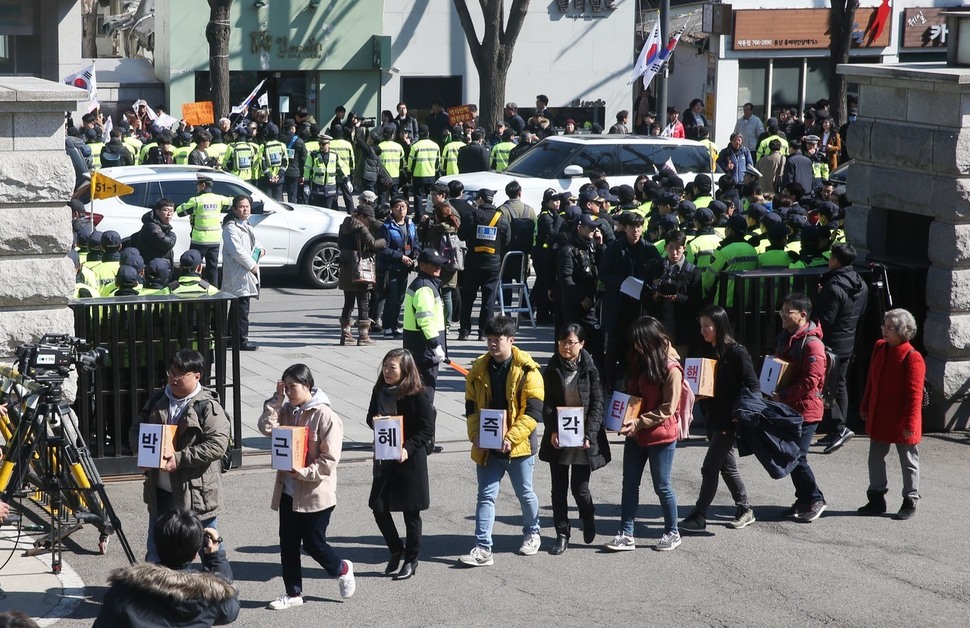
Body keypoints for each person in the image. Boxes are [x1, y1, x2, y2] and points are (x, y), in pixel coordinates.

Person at [257, 364, 356, 609]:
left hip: (315, 492)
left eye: (293, 387)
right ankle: (293, 593)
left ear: (308, 386)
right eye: (286, 386)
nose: (289, 392)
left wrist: (303, 472)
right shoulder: (287, 410)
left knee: (313, 543)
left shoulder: (325, 416)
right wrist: (276, 401)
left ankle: (341, 568)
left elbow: (329, 460)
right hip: (288, 490)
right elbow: (266, 428)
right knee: (288, 543)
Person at [129, 350, 231, 563]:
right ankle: (156, 590)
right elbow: (137, 430)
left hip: (196, 494)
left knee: (207, 546)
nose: (174, 378)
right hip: (161, 490)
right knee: (156, 547)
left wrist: (181, 458)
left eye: (181, 374)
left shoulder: (207, 405)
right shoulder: (158, 399)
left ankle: (218, 590)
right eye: (172, 372)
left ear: (197, 376)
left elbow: (217, 444)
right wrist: (142, 453)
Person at [458, 315, 544, 567]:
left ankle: (532, 531)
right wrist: (475, 435)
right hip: (488, 445)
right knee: (485, 496)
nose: (493, 344)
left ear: (511, 340)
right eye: (490, 339)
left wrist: (511, 438)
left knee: (524, 493)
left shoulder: (529, 370)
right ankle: (483, 548)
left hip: (519, 446)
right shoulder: (477, 370)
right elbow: (471, 408)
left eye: (498, 340)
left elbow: (533, 412)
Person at [680, 305, 759, 534]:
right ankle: (745, 509)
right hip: (712, 418)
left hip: (729, 420)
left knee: (709, 468)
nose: (704, 330)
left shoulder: (736, 352)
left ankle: (699, 515)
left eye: (708, 326)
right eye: (701, 326)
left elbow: (753, 386)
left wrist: (741, 414)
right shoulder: (706, 352)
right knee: (727, 467)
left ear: (720, 325)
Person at [605, 316, 682, 552]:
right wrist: (622, 417)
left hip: (661, 435)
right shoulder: (639, 359)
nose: (635, 346)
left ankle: (672, 531)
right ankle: (626, 533)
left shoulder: (671, 368)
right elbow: (633, 393)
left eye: (639, 342)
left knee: (662, 485)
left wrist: (638, 422)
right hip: (636, 434)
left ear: (651, 339)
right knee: (629, 483)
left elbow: (669, 407)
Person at [94, 508, 238, 627]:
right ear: (195, 554)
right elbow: (230, 610)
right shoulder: (208, 595)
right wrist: (215, 557)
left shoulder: (124, 591)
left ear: (156, 546)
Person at [539, 324, 610, 554]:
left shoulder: (591, 369)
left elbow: (598, 404)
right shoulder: (551, 368)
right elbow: (547, 403)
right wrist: (552, 430)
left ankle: (588, 517)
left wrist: (589, 434)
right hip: (560, 434)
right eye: (562, 342)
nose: (565, 347)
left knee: (580, 489)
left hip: (582, 437)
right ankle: (562, 533)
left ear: (581, 344)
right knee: (558, 489)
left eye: (570, 342)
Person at [366, 349, 436, 580]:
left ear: (405, 370)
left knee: (411, 514)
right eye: (385, 366)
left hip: (409, 461)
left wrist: (407, 447)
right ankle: (396, 549)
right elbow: (370, 418)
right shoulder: (380, 390)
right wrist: (381, 422)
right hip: (386, 457)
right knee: (378, 507)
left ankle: (411, 560)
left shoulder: (417, 394)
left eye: (392, 367)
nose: (387, 371)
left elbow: (427, 429)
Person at [858, 308, 925, 521]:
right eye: (884, 326)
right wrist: (865, 406)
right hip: (880, 415)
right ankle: (876, 498)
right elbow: (872, 381)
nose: (885, 331)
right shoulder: (880, 348)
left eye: (891, 328)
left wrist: (910, 423)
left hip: (902, 419)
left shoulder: (912, 357)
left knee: (908, 461)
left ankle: (910, 498)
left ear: (904, 331)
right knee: (875, 458)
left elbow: (914, 395)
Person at [772, 293, 828, 523]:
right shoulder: (786, 338)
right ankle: (804, 498)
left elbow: (810, 381)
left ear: (803, 315)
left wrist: (783, 395)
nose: (783, 315)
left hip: (806, 410)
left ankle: (816, 499)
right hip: (789, 408)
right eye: (782, 310)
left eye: (788, 311)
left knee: (797, 456)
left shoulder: (813, 344)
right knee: (789, 455)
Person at [816, 243, 869, 454]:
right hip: (849, 340)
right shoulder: (860, 284)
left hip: (832, 343)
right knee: (838, 384)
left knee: (833, 386)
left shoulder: (833, 287)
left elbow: (826, 320)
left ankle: (839, 427)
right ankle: (834, 427)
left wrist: (820, 297)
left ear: (836, 260)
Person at [458, 189, 511, 341]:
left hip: (473, 263)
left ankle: (464, 331)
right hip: (493, 264)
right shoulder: (501, 218)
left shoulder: (471, 215)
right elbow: (507, 241)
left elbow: (461, 235)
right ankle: (483, 332)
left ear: (480, 199)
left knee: (468, 297)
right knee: (488, 300)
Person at [338, 203, 386, 346]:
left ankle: (346, 334)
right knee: (363, 302)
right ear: (360, 216)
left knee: (348, 303)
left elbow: (339, 244)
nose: (369, 223)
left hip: (346, 268)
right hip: (360, 269)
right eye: (368, 220)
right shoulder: (361, 227)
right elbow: (373, 244)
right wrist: (384, 241)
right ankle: (364, 336)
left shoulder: (343, 226)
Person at [402, 249, 448, 400]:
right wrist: (435, 345)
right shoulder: (424, 287)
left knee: (418, 390)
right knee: (425, 393)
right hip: (424, 350)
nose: (438, 268)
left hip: (419, 347)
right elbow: (425, 319)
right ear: (422, 265)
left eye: (440, 264)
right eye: (434, 264)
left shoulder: (425, 284)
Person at [222, 195, 263, 351]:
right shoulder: (231, 227)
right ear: (234, 209)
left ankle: (232, 338)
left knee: (238, 306)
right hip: (238, 271)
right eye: (241, 206)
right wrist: (252, 264)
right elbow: (236, 250)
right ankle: (241, 340)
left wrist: (261, 248)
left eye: (247, 206)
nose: (245, 209)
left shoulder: (245, 223)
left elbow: (254, 241)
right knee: (241, 307)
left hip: (244, 271)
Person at [175, 175, 232, 286]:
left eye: (198, 185)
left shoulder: (196, 200)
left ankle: (193, 288)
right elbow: (233, 202)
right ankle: (213, 292)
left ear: (203, 185)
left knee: (193, 266)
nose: (197, 187)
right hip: (215, 240)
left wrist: (182, 205)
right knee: (212, 268)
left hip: (199, 239)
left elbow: (180, 212)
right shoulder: (219, 199)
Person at [379, 197, 417, 338]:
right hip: (391, 267)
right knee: (392, 297)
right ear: (392, 209)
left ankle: (395, 324)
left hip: (405, 267)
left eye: (404, 206)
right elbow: (384, 249)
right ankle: (387, 326)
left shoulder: (410, 224)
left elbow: (415, 242)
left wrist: (415, 254)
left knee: (400, 298)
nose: (401, 209)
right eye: (398, 207)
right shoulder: (387, 227)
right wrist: (400, 256)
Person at [129, 198, 176, 267]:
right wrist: (172, 234)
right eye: (166, 210)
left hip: (159, 266)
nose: (169, 214)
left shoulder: (162, 226)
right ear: (157, 212)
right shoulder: (152, 227)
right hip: (153, 268)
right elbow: (167, 244)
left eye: (171, 211)